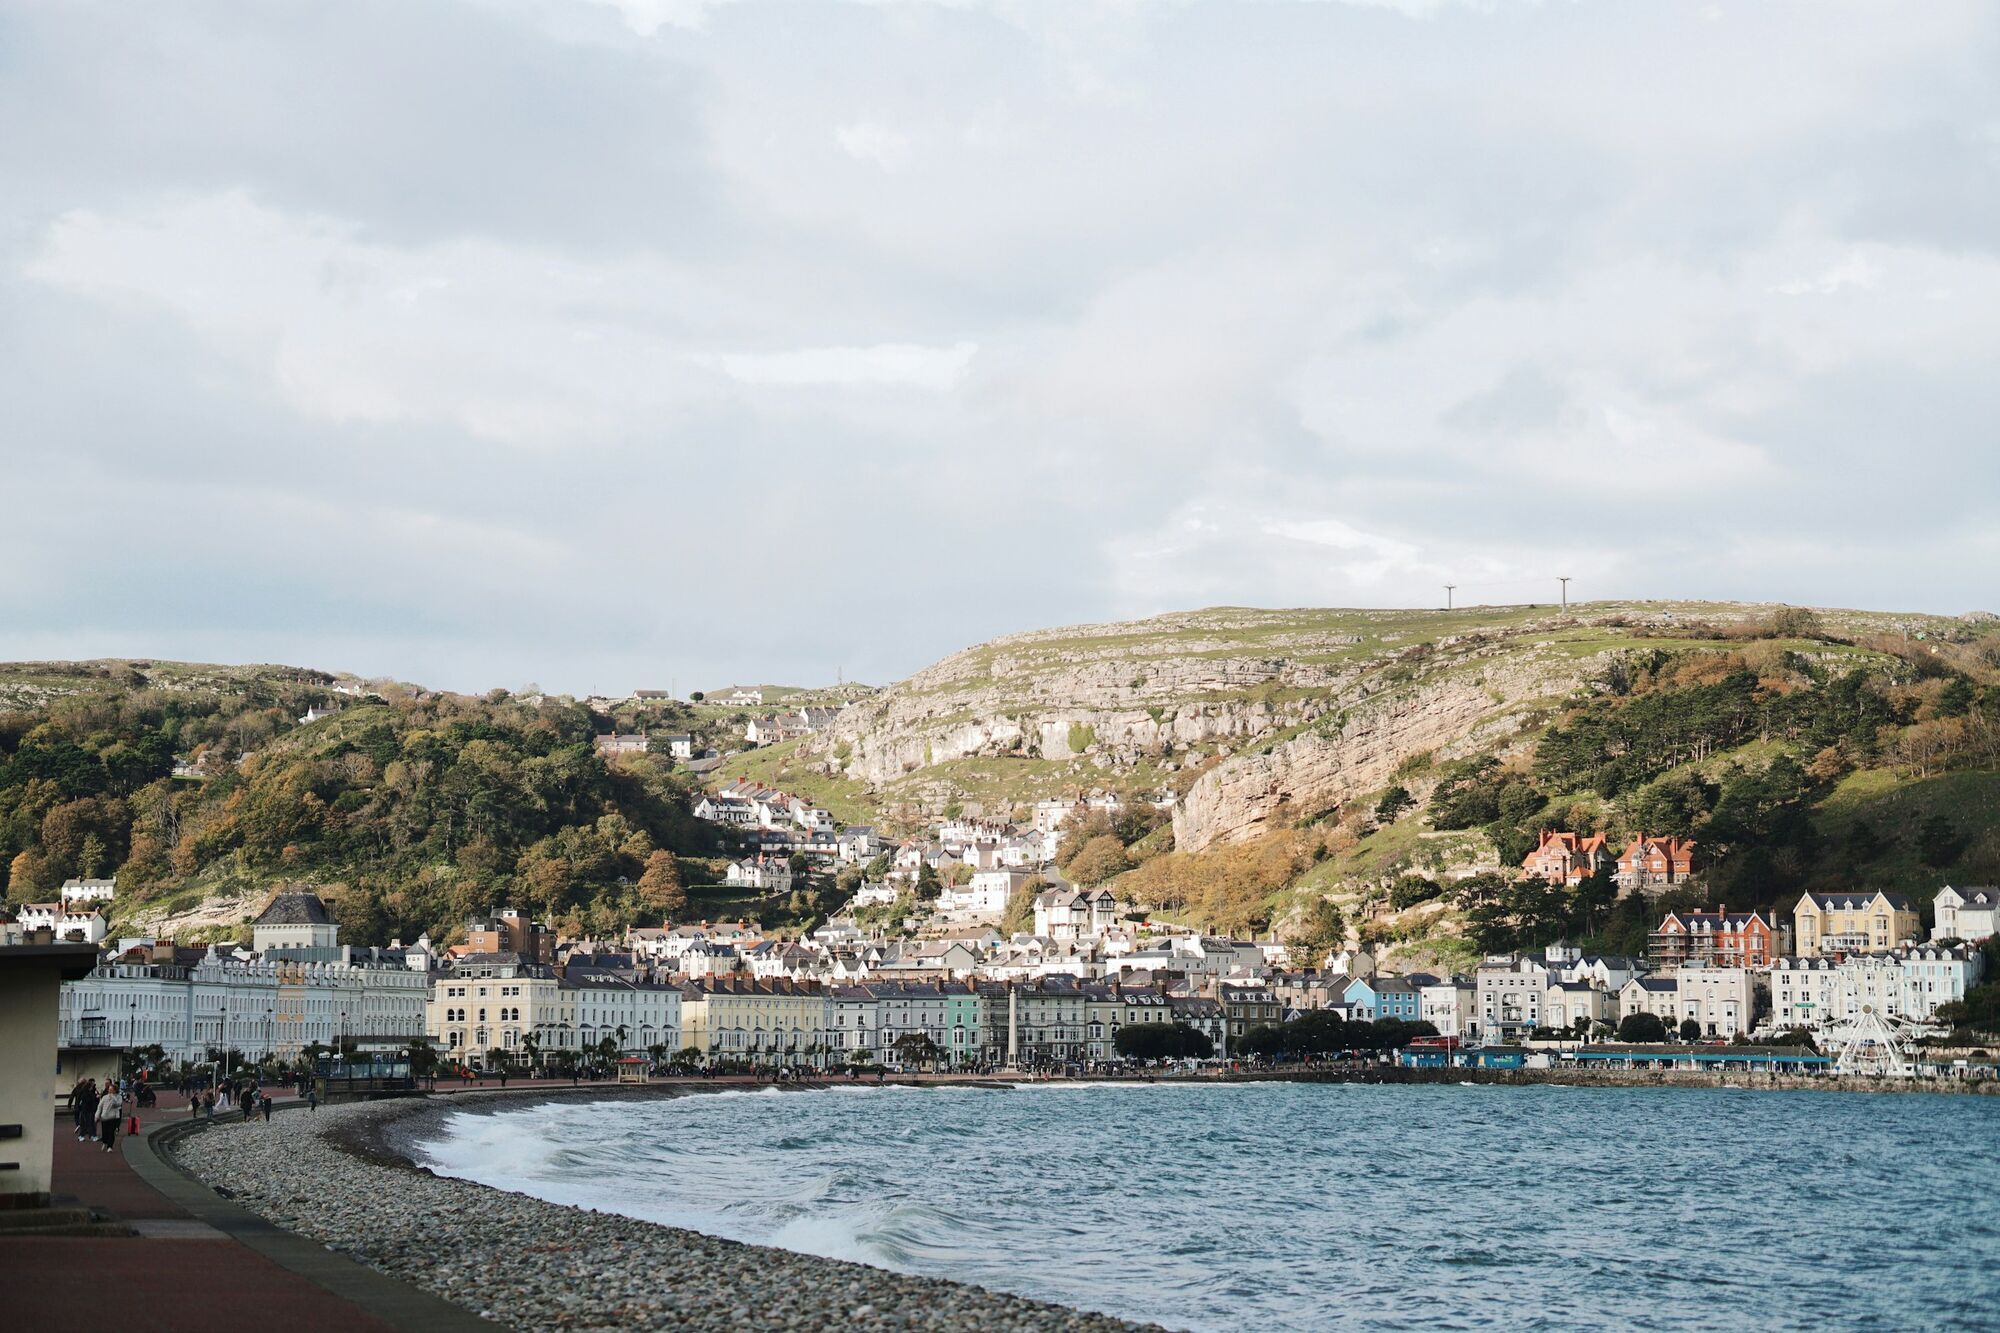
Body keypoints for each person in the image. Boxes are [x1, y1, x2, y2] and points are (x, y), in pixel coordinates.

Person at [95, 1083, 123, 1152]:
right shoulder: (105, 1097)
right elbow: (100, 1106)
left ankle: (110, 1146)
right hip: (104, 1117)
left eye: (111, 1090)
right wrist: (97, 1115)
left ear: (115, 1090)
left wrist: (113, 1098)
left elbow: (118, 1105)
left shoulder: (119, 1097)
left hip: (113, 1117)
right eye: (109, 1090)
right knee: (105, 1132)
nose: (110, 1091)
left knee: (111, 1132)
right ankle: (105, 1142)